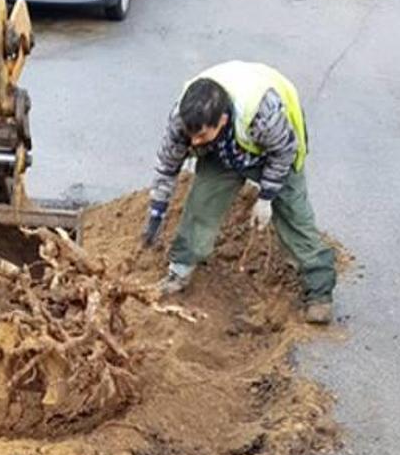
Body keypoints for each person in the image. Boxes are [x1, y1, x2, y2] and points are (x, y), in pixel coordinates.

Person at [142, 61, 337, 324]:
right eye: (192, 137)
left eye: (200, 135)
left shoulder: (263, 115)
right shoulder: (184, 118)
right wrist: (157, 211)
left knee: (294, 217)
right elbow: (168, 166)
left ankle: (319, 291)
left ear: (221, 120)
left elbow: (283, 153)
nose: (194, 142)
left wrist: (266, 196)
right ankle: (180, 271)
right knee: (201, 205)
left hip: (277, 151)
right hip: (223, 153)